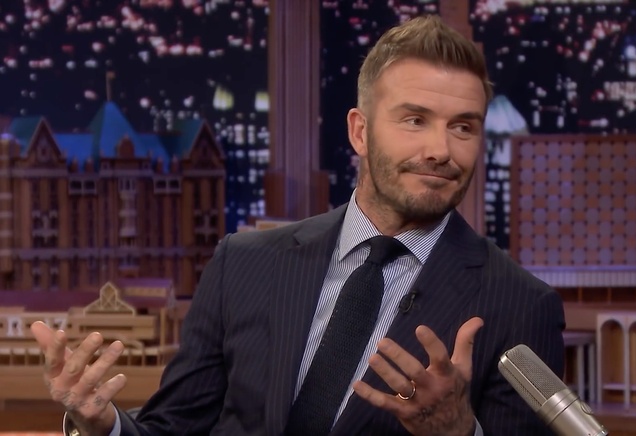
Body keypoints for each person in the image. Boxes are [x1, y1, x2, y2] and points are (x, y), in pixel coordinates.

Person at [31, 15, 565, 436]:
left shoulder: (520, 304)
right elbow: (174, 429)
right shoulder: (242, 265)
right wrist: (103, 426)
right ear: (360, 132)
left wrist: (458, 432)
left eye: (463, 128)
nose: (440, 149)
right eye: (414, 120)